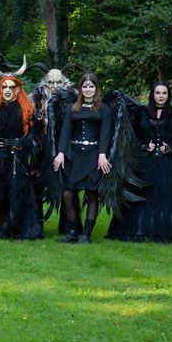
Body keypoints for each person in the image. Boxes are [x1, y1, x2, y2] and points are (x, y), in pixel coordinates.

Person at [106, 82, 172, 242]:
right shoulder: (141, 112)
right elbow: (131, 134)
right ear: (152, 95)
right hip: (145, 163)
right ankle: (141, 229)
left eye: (164, 93)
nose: (161, 96)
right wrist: (143, 145)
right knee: (143, 196)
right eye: (158, 93)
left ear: (168, 96)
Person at [0, 71, 44, 240]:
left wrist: (23, 143)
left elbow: (34, 133)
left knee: (19, 191)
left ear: (17, 90)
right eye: (4, 87)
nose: (7, 90)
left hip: (18, 159)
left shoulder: (26, 110)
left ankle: (18, 229)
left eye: (11, 87)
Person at [53, 73, 113, 243]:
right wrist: (61, 153)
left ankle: (86, 234)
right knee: (67, 194)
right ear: (80, 89)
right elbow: (65, 132)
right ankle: (72, 231)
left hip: (94, 156)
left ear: (96, 88)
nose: (88, 89)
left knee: (92, 194)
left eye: (91, 86)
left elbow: (105, 134)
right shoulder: (72, 108)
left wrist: (102, 155)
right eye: (85, 86)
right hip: (74, 155)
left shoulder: (104, 109)